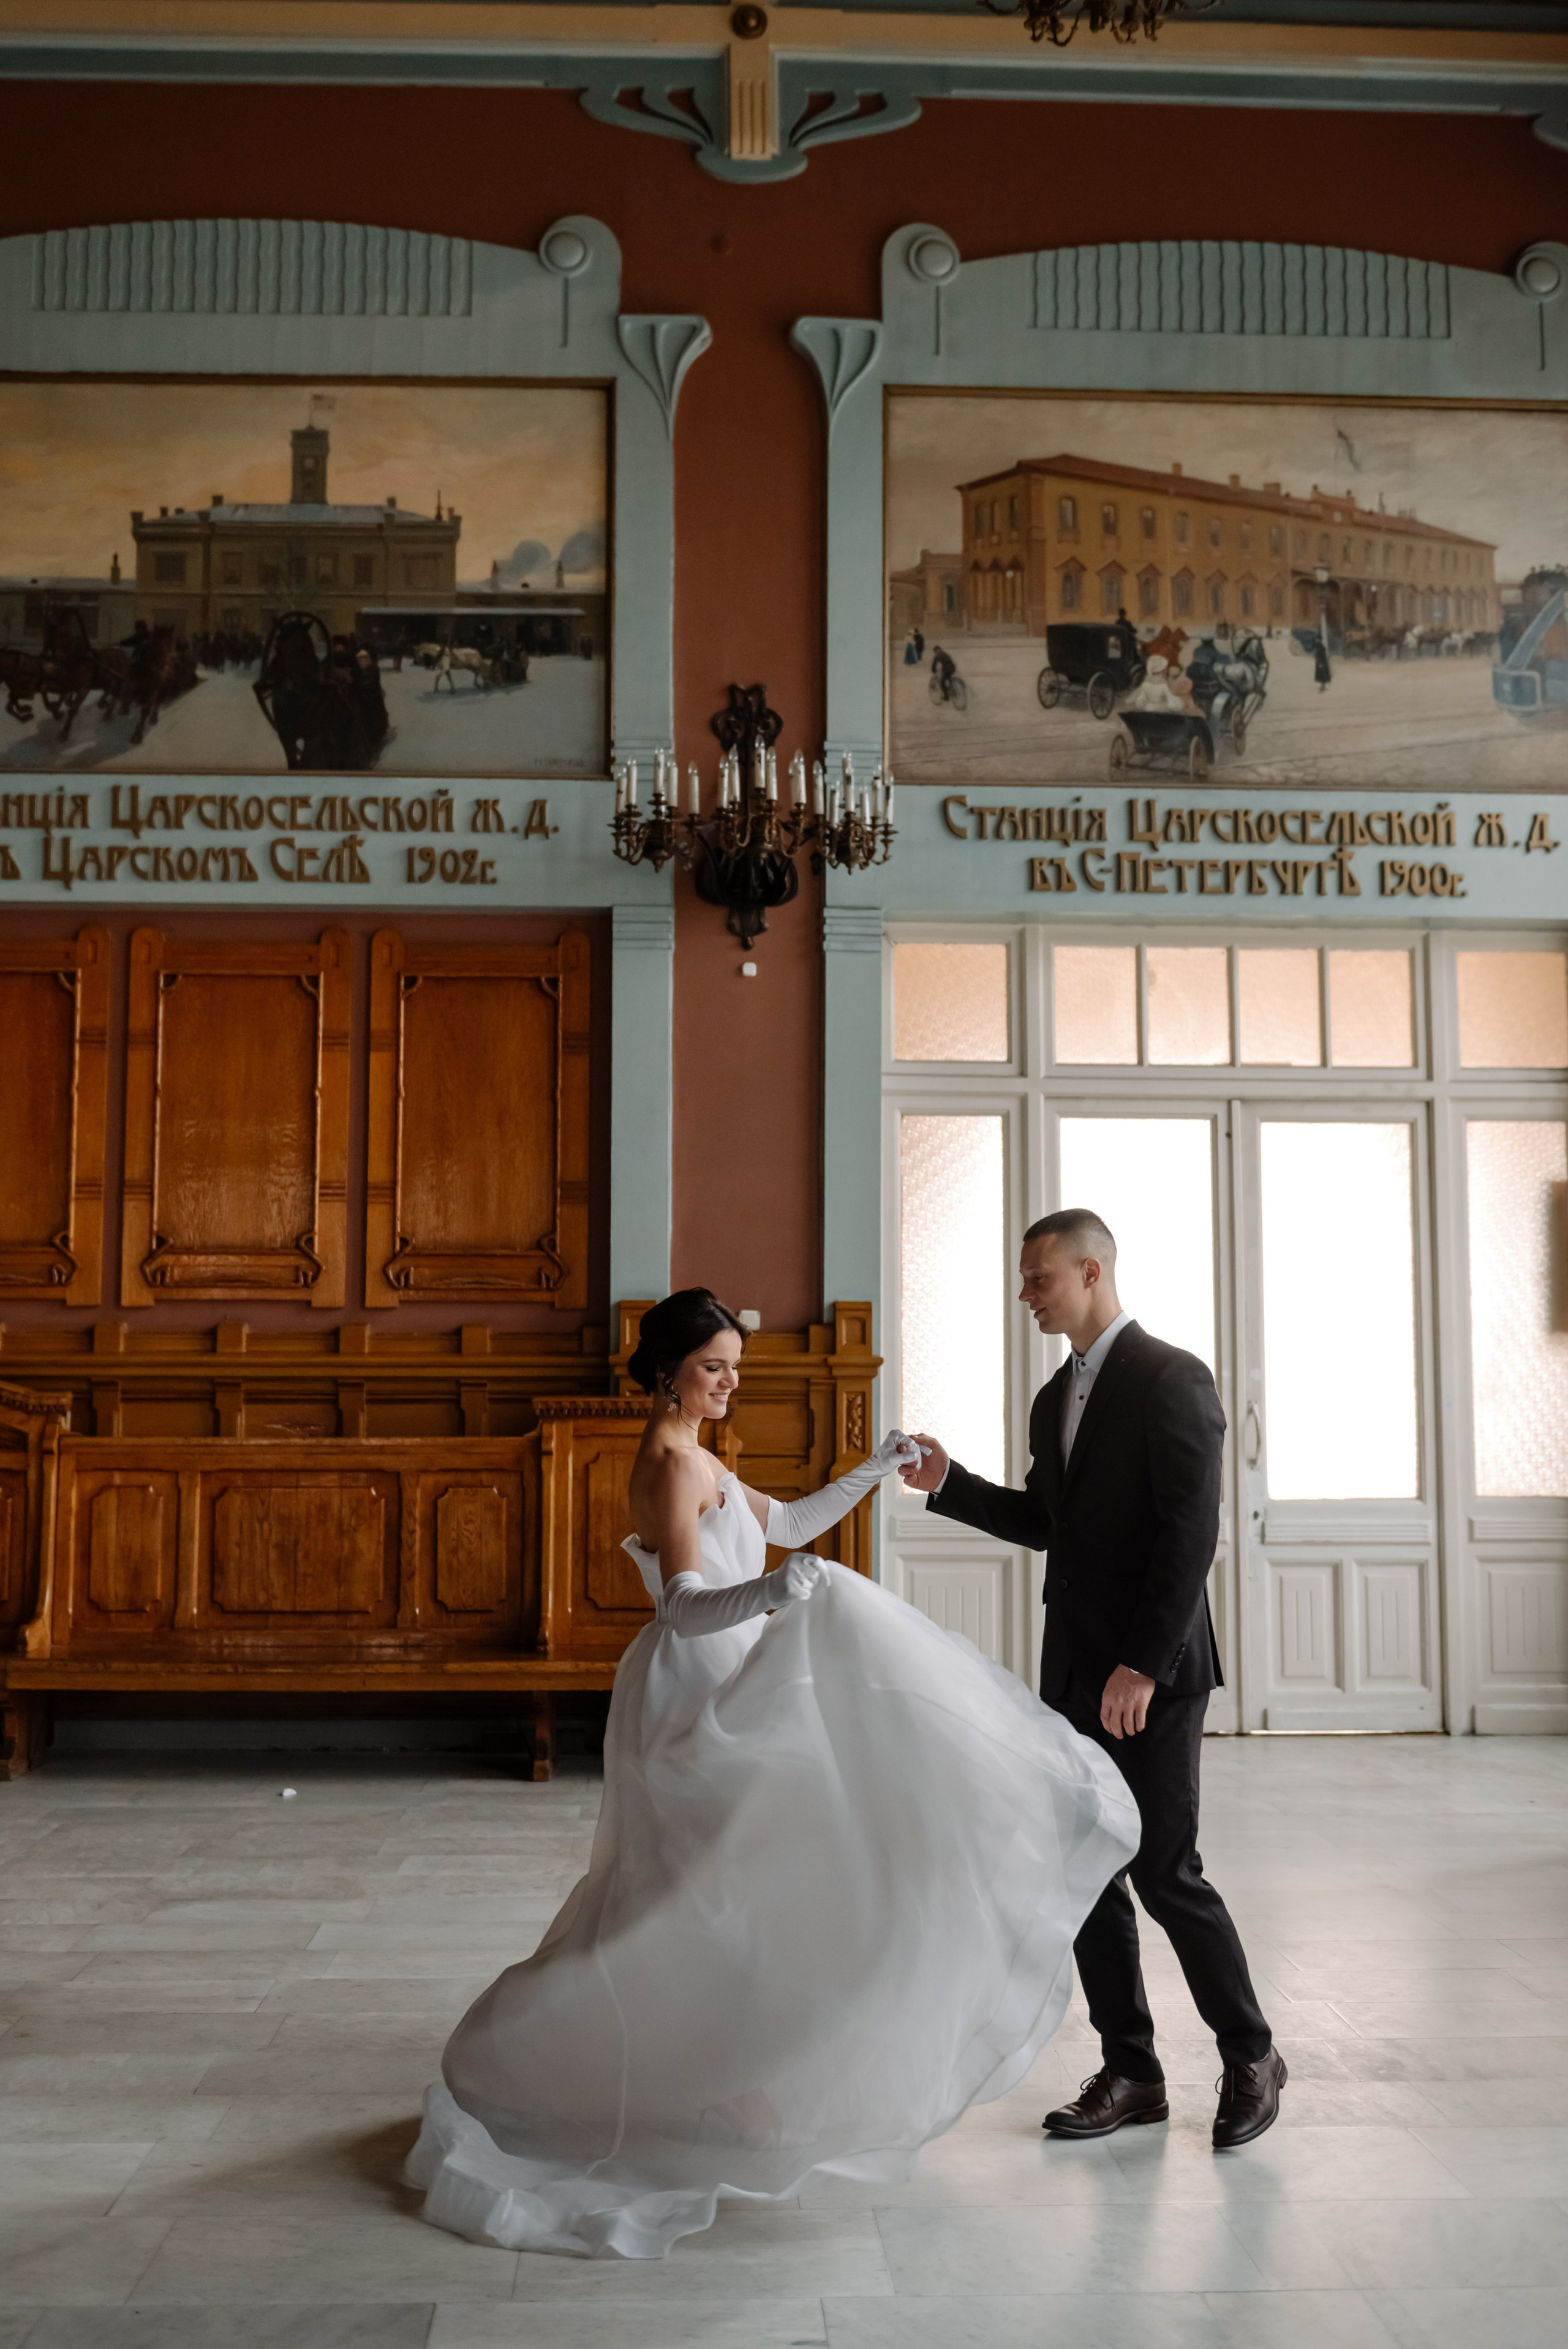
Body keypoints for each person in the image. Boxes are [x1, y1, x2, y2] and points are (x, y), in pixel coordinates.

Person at [407, 1287, 1139, 2258]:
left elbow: (787, 1520)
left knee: (742, 1885)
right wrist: (772, 1593)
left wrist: (873, 1471)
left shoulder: (701, 1451)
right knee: (698, 1892)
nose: (729, 1385)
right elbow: (681, 1608)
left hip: (734, 1671)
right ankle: (625, 2063)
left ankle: (736, 2076)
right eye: (713, 1369)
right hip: (691, 1688)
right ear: (668, 1371)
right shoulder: (669, 1463)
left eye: (735, 1370)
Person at [903, 1210, 1285, 2151]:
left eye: (1038, 1277)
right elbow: (1049, 1522)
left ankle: (1252, 2055)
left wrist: (1142, 1665)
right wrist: (949, 1483)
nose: (1025, 1295)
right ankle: (1133, 2071)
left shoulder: (1173, 1378)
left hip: (1153, 1674)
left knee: (1164, 1870)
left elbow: (1190, 1534)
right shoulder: (1053, 1399)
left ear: (1090, 1270)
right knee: (1086, 1867)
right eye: (1024, 1279)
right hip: (1074, 1669)